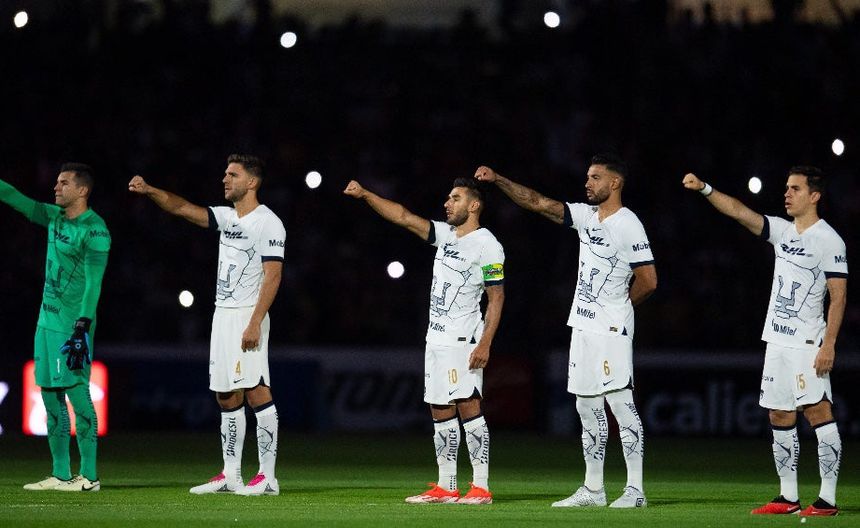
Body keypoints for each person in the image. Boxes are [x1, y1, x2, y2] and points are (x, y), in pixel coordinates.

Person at [476, 154, 657, 509]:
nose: (587, 183)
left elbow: (649, 280)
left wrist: (619, 308)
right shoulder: (587, 217)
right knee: (586, 406)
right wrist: (498, 179)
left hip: (611, 328)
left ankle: (635, 491)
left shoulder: (628, 223)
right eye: (587, 176)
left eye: (595, 177)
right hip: (583, 325)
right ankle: (594, 489)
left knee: (620, 405)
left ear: (615, 183)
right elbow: (538, 202)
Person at [682, 167, 846, 517]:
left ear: (814, 196)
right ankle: (788, 498)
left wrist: (829, 344)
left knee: (818, 412)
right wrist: (706, 188)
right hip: (776, 340)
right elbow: (740, 212)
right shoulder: (783, 231)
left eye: (795, 188)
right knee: (779, 413)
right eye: (786, 187)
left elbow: (839, 297)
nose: (787, 193)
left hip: (807, 342)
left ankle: (827, 500)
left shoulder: (829, 240)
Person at [128, 154, 286, 496]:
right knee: (226, 395)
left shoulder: (268, 223)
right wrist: (151, 190)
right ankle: (231, 475)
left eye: (233, 174)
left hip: (248, 314)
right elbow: (183, 208)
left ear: (252, 182)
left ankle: (268, 477)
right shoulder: (227, 217)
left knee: (256, 389)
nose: (225, 179)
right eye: (225, 173)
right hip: (222, 314)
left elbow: (273, 276)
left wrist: (255, 322)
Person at [344, 177, 505, 505]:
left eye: (455, 198)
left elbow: (497, 297)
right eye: (448, 197)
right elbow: (403, 216)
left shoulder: (488, 245)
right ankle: (447, 486)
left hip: (463, 339)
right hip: (436, 338)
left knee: (468, 405)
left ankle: (481, 487)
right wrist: (365, 194)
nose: (448, 203)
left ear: (474, 205)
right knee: (439, 408)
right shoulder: (445, 235)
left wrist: (485, 342)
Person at [0, 163, 111, 492]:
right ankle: (60, 473)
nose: (55, 188)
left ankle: (89, 476)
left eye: (63, 183)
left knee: (78, 395)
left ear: (82, 190)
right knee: (49, 398)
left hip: (72, 327)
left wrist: (82, 326)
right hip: (46, 323)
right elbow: (13, 197)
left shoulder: (95, 230)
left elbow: (93, 283)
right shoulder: (54, 217)